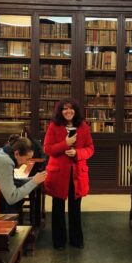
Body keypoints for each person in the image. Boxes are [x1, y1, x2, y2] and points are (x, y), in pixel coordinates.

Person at [44, 98, 94, 250]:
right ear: (60, 111)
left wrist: (77, 153)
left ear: (75, 111)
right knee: (58, 208)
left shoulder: (83, 126)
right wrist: (65, 144)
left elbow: (90, 149)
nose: (68, 111)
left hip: (77, 174)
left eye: (71, 108)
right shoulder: (54, 126)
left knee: (75, 208)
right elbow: (47, 149)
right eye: (65, 109)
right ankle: (58, 241)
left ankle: (76, 240)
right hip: (58, 173)